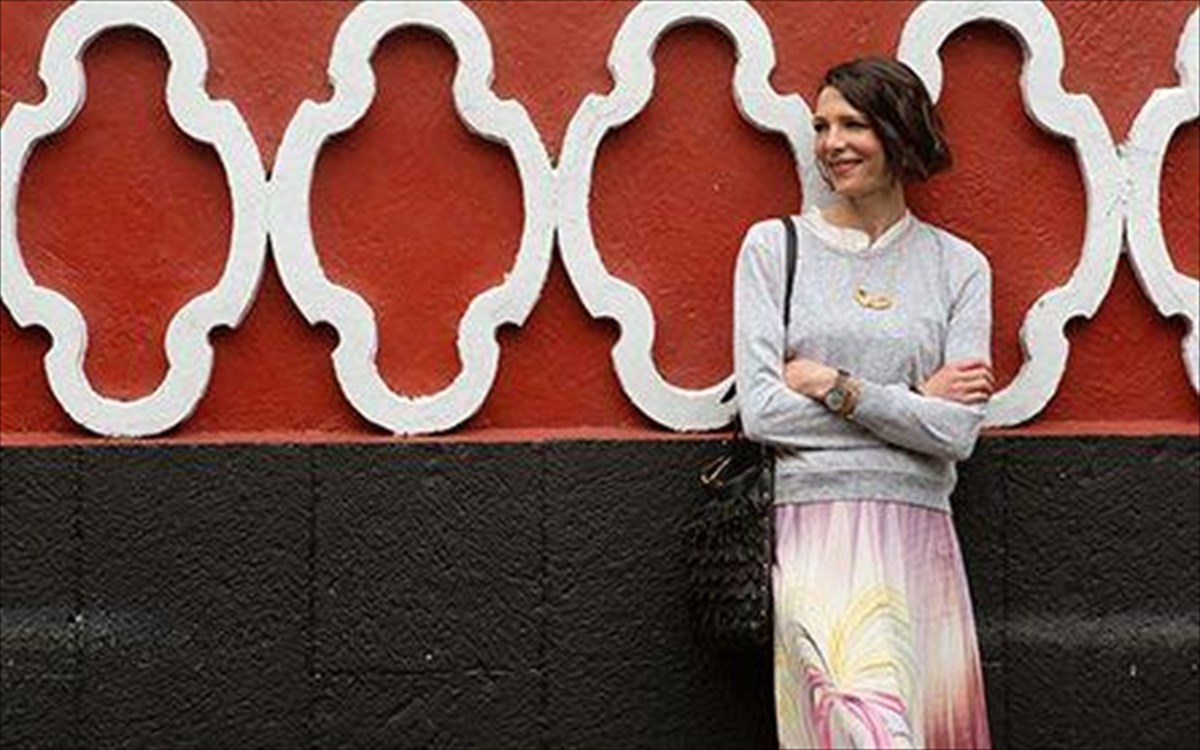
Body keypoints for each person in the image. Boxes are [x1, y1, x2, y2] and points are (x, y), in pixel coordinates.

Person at [733, 57, 994, 749]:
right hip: (814, 532)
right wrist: (915, 405)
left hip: (920, 533)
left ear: (899, 131)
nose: (831, 143)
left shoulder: (959, 267)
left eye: (853, 124)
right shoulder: (774, 249)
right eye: (821, 126)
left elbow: (957, 432)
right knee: (862, 727)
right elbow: (762, 412)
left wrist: (834, 385)